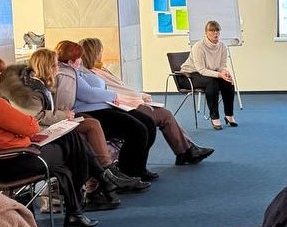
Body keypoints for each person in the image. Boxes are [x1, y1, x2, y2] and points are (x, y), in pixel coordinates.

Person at [0, 52, 102, 227]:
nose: (0, 79)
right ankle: (95, 182)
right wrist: (22, 132)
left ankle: (82, 201)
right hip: (12, 161)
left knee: (69, 147)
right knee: (70, 147)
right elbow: (31, 126)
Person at [0, 49, 143, 195]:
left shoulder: (39, 83)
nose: (58, 67)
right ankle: (106, 175)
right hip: (41, 132)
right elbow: (35, 117)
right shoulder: (33, 91)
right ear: (48, 67)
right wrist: (63, 115)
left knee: (91, 124)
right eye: (56, 65)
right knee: (82, 136)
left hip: (50, 125)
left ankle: (107, 174)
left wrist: (65, 115)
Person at [78, 37, 214, 166]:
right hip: (122, 106)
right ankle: (186, 151)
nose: (102, 54)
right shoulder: (92, 74)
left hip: (126, 103)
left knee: (164, 114)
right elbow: (114, 93)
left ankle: (187, 149)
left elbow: (120, 89)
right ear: (94, 53)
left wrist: (138, 96)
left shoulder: (99, 70)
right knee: (164, 115)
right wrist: (139, 97)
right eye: (100, 51)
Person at [56, 41, 158, 183]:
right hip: (91, 111)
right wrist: (112, 95)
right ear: (71, 61)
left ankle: (139, 167)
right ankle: (128, 172)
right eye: (79, 58)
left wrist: (108, 95)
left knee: (148, 122)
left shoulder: (77, 70)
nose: (81, 60)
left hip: (104, 106)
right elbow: (88, 94)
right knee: (137, 129)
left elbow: (95, 90)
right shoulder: (67, 74)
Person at [180, 20, 237, 130]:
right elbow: (201, 70)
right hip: (188, 75)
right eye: (212, 31)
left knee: (228, 82)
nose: (215, 33)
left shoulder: (222, 46)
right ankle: (214, 117)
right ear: (206, 33)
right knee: (212, 82)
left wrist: (224, 73)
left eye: (217, 30)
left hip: (207, 74)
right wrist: (219, 75)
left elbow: (222, 66)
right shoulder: (198, 47)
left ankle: (229, 115)